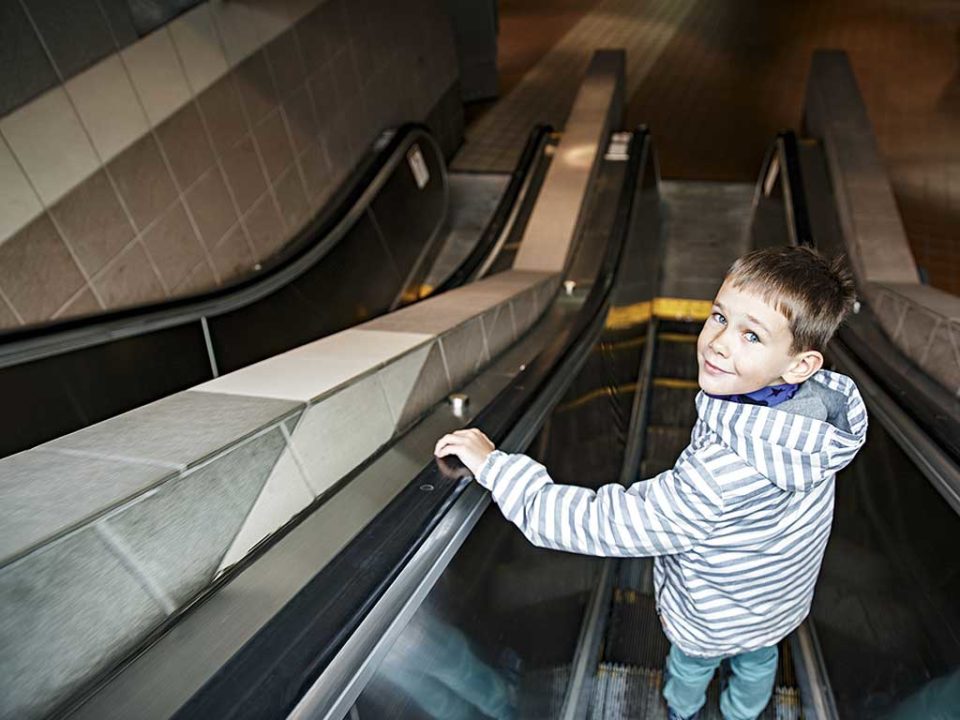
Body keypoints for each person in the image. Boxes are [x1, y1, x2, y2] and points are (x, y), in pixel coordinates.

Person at [434, 246, 867, 720]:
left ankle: (682, 711)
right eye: (720, 316)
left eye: (751, 335)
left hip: (710, 617)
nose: (720, 343)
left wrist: (497, 467)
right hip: (779, 602)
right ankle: (744, 713)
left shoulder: (720, 476)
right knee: (760, 658)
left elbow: (609, 522)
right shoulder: (814, 422)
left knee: (690, 666)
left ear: (800, 364)